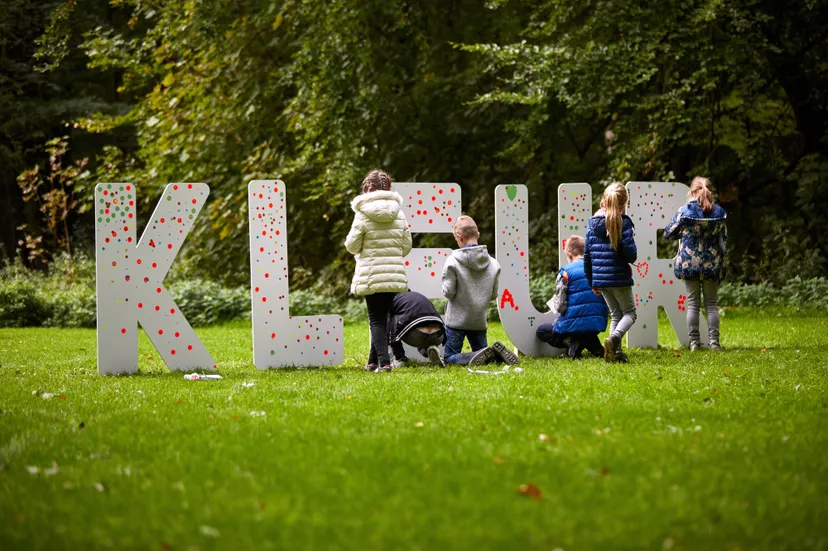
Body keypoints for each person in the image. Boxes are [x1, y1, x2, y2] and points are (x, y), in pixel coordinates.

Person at [345, 169, 412, 372]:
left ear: (367, 188)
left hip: (371, 273)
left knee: (376, 318)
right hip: (393, 273)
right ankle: (372, 362)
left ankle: (384, 363)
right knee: (383, 317)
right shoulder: (398, 213)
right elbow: (407, 246)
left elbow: (352, 245)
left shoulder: (363, 213)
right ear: (389, 188)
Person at [441, 215, 518, 366]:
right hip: (479, 321)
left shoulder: (452, 261)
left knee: (449, 358)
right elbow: (493, 295)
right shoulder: (494, 264)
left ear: (459, 236)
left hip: (456, 321)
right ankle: (494, 355)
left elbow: (448, 292)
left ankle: (476, 355)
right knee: (484, 357)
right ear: (478, 234)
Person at [664, 176, 728, 352]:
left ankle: (694, 343)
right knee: (711, 304)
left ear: (692, 192)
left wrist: (684, 233)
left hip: (689, 263)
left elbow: (668, 233)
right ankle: (714, 343)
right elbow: (724, 238)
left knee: (692, 303)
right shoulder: (720, 213)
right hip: (712, 264)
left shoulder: (684, 211)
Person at [584, 183, 638, 363]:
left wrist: (593, 282)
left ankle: (615, 353)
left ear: (603, 202)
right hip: (619, 278)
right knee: (630, 313)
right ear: (624, 204)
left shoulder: (592, 225)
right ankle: (614, 339)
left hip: (601, 280)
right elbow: (631, 255)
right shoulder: (624, 224)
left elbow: (587, 257)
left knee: (616, 314)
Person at [536, 235, 608, 359]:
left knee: (541, 331)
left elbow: (560, 307)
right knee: (586, 330)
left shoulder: (565, 272)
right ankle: (590, 344)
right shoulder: (598, 268)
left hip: (573, 326)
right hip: (596, 323)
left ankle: (571, 343)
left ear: (569, 255)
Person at [387, 290, 446, 368]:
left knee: (390, 321)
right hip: (438, 335)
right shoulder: (415, 295)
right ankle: (429, 349)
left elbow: (390, 329)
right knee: (418, 322)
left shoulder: (392, 299)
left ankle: (400, 359)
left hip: (418, 335)